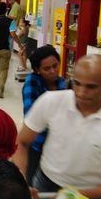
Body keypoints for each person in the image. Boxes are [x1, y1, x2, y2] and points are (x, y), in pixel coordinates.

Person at [13, 55, 101, 199]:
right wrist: (21, 181)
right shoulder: (51, 102)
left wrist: (83, 194)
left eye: (91, 87)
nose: (82, 93)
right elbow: (21, 142)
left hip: (95, 197)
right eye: (77, 83)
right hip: (46, 185)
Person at [22, 45, 67, 184]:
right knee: (31, 183)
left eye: (55, 65)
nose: (53, 71)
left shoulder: (63, 84)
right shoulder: (32, 83)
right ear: (37, 70)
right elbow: (31, 115)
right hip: (37, 144)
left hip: (59, 146)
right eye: (47, 69)